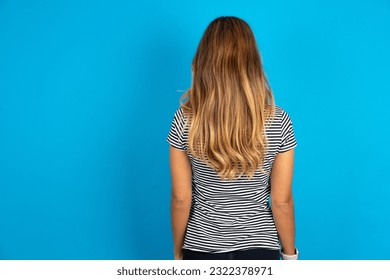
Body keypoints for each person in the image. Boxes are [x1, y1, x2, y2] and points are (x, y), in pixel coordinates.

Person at [166, 16, 298, 260]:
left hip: (201, 247)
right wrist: (290, 255)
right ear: (252, 61)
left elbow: (181, 199)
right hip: (260, 249)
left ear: (204, 60)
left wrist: (178, 252)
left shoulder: (184, 119)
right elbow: (282, 202)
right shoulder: (278, 120)